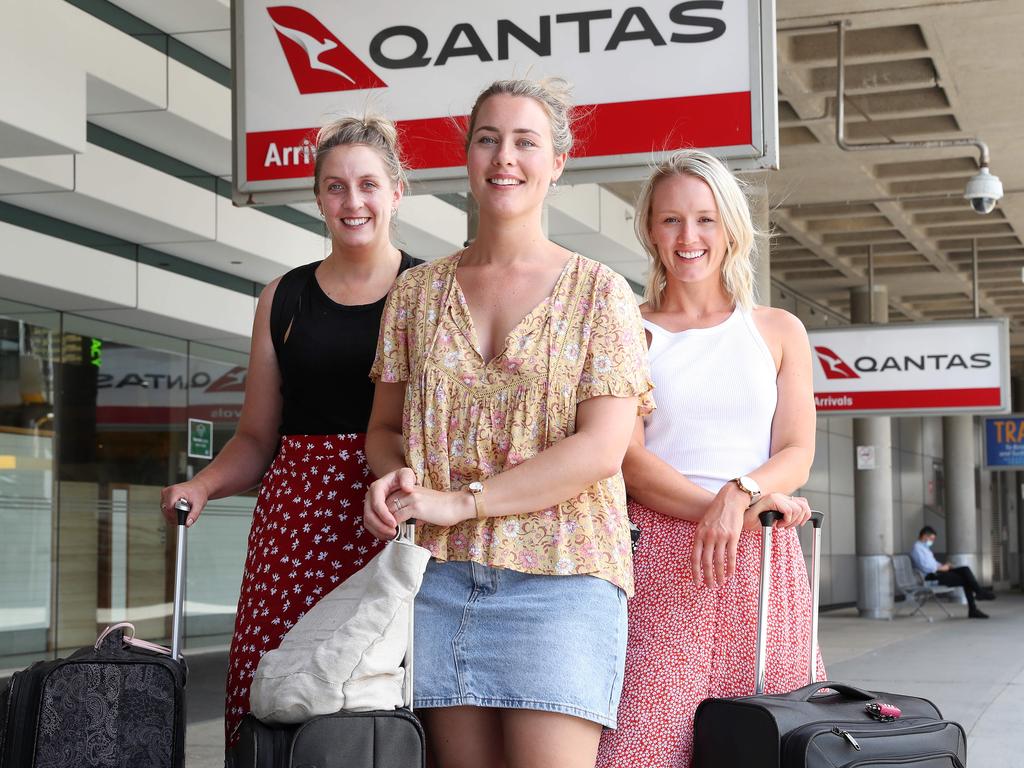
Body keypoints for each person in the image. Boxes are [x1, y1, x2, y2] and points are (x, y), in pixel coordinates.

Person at [362, 78, 654, 768]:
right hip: (436, 575)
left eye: (527, 141)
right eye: (488, 139)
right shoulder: (415, 293)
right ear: (467, 157)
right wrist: (395, 478)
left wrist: (459, 501)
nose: (505, 158)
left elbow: (601, 449)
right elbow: (382, 429)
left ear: (558, 162)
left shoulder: (599, 292)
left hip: (562, 578)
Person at [159, 114, 421, 748]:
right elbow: (255, 440)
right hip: (294, 522)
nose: (352, 202)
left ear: (396, 191)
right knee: (271, 685)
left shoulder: (432, 290)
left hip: (391, 512)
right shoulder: (284, 297)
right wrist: (201, 483)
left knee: (375, 691)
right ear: (318, 198)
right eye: (335, 187)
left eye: (367, 184)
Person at [596, 150, 822, 768]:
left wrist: (739, 497)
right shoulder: (627, 331)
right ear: (649, 230)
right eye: (670, 221)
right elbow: (628, 459)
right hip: (662, 559)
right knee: (642, 746)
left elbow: (797, 452)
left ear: (731, 228)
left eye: (705, 219)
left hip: (763, 557)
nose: (688, 237)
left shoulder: (778, 329)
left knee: (772, 741)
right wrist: (719, 511)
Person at [911, 526, 994, 618]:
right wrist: (942, 568)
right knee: (966, 580)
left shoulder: (924, 548)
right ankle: (974, 606)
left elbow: (933, 563)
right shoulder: (917, 548)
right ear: (924, 536)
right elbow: (926, 567)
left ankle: (979, 594)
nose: (932, 542)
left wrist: (944, 566)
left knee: (965, 569)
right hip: (932, 576)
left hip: (938, 572)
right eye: (931, 539)